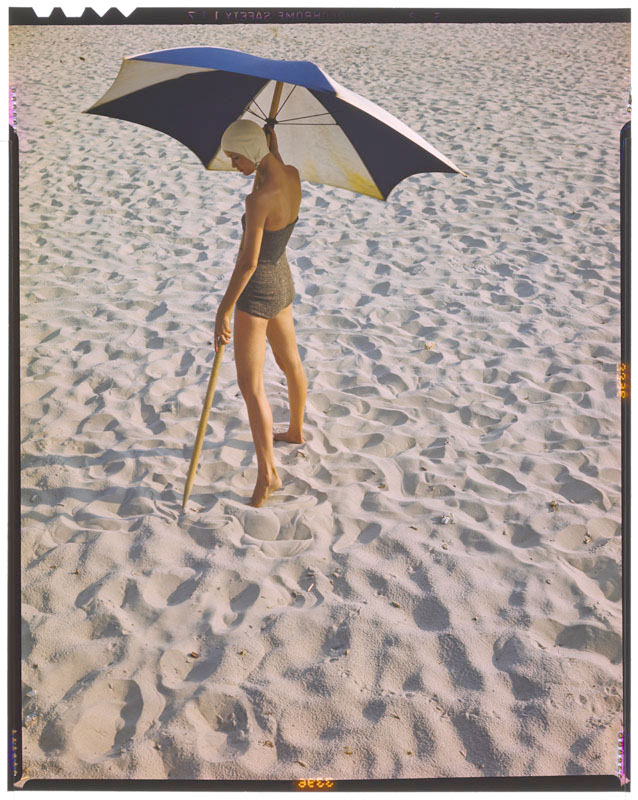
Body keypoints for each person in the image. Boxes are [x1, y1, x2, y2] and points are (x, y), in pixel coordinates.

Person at [214, 118, 307, 508]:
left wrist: (225, 309)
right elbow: (274, 163)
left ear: (251, 152)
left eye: (236, 157)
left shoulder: (257, 200)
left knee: (251, 386)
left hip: (257, 294)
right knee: (290, 363)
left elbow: (247, 264)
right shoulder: (291, 175)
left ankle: (268, 474)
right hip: (283, 282)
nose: (233, 165)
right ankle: (296, 431)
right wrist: (270, 144)